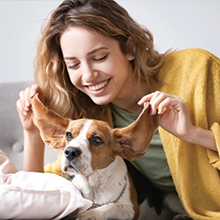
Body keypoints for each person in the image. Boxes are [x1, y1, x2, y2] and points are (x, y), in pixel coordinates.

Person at [16, 0, 220, 219]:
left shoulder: (198, 70)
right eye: (74, 64)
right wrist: (32, 130)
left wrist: (193, 133)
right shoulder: (94, 121)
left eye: (100, 57)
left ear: (130, 48)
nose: (88, 75)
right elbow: (35, 192)